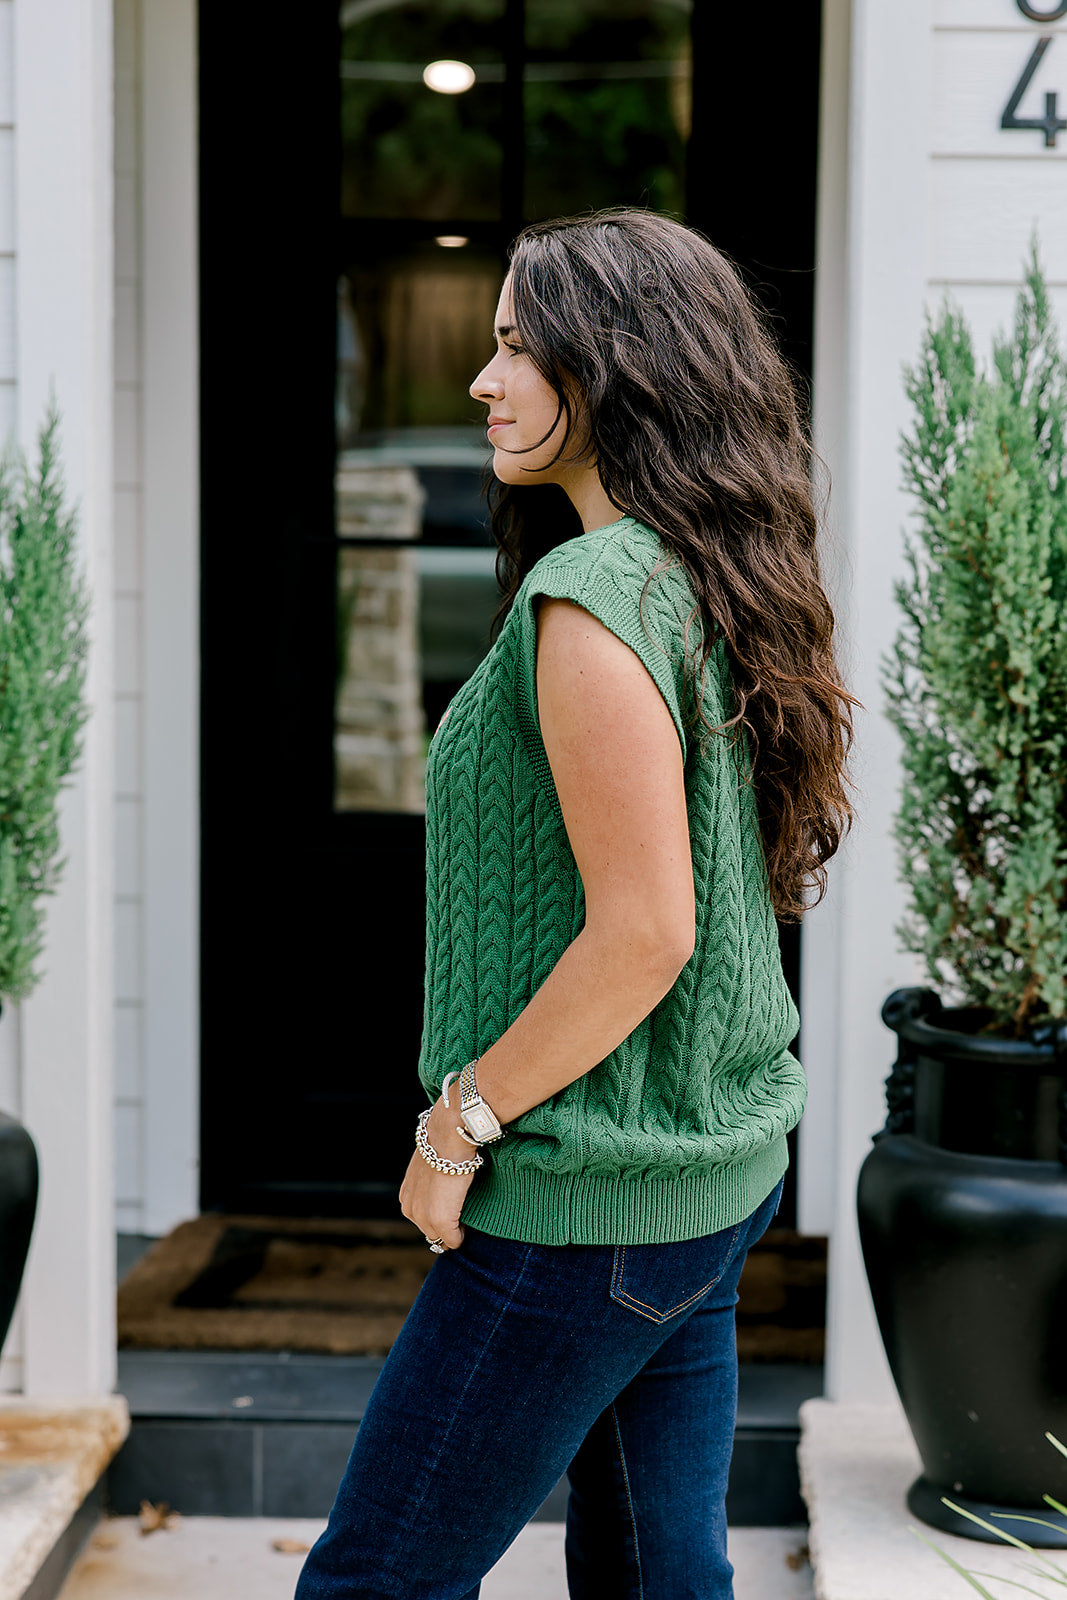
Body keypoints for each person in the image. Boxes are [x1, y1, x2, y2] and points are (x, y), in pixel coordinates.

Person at [295, 208, 855, 1600]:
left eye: (513, 347)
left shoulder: (595, 600)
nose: (483, 381)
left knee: (374, 1582)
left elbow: (648, 932)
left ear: (618, 368)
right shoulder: (705, 572)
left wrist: (456, 1124)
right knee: (662, 1576)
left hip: (584, 1200)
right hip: (705, 1181)